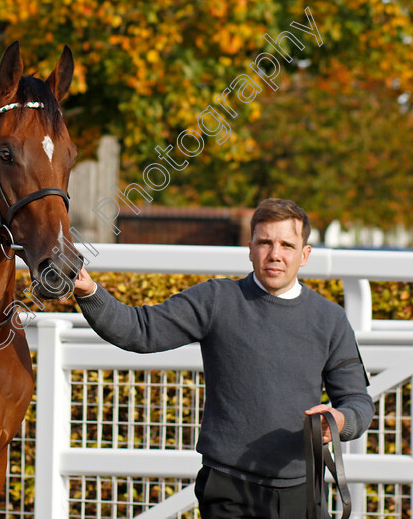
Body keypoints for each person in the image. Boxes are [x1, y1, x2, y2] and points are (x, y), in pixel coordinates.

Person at [72, 198, 374, 519]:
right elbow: (139, 331)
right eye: (265, 242)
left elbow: (358, 401)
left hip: (301, 490)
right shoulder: (216, 299)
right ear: (250, 247)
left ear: (305, 254)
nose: (275, 254)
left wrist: (341, 422)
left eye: (287, 245)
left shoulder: (330, 318)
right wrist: (88, 290)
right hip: (227, 486)